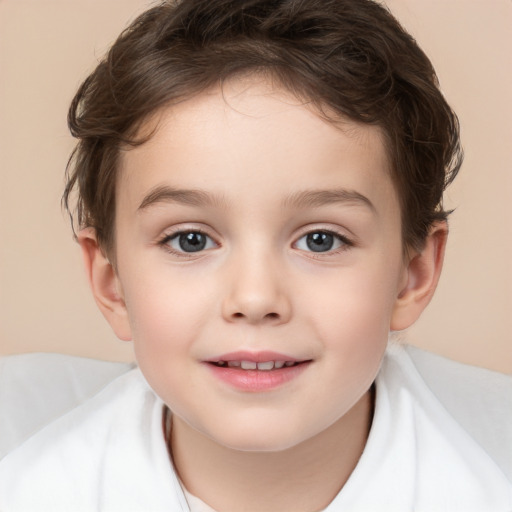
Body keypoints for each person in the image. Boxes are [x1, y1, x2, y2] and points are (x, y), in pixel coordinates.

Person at [0, 0, 511, 510]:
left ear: (413, 274)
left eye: (321, 239)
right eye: (190, 239)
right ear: (111, 283)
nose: (255, 297)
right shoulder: (34, 493)